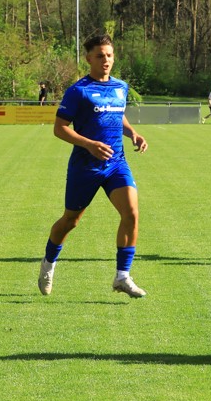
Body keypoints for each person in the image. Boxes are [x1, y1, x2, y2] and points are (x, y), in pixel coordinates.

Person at [39, 34, 149, 298]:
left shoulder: (121, 87)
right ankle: (48, 263)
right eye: (100, 56)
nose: (106, 60)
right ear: (89, 59)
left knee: (132, 213)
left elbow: (117, 114)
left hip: (116, 163)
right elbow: (59, 128)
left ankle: (122, 276)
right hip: (85, 167)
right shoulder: (79, 91)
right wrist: (89, 144)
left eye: (109, 55)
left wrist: (133, 133)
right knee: (70, 221)